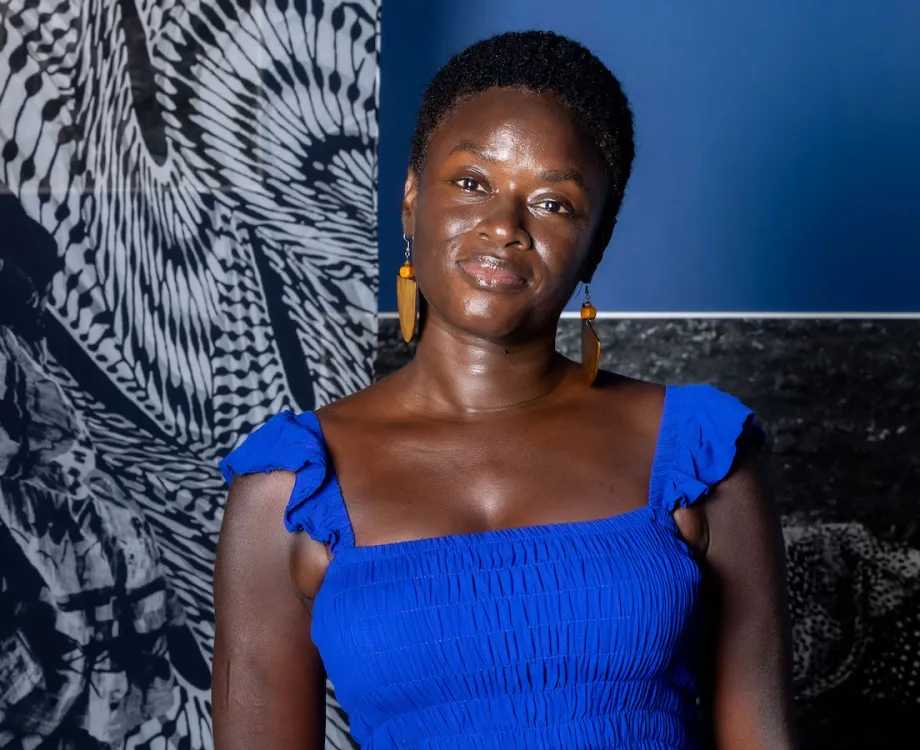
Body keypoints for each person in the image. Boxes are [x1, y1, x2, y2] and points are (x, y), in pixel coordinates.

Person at [212, 30, 798, 750]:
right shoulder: (292, 485)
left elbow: (762, 736)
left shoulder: (699, 455)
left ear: (597, 242)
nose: (504, 227)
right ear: (409, 200)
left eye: (554, 203)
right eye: (470, 183)